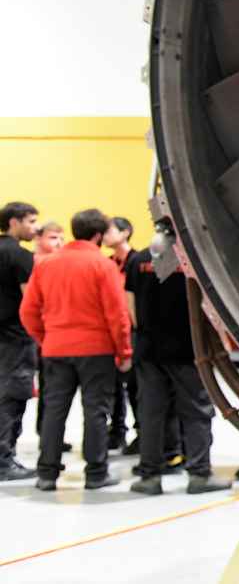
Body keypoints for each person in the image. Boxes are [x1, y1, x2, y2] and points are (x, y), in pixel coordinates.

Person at [20, 209, 133, 491]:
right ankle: (96, 473)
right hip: (96, 350)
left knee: (54, 411)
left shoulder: (46, 265)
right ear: (97, 235)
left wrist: (47, 339)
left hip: (56, 348)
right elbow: (117, 314)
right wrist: (124, 351)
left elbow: (28, 311)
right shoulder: (102, 265)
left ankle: (47, 474)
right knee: (96, 410)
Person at [126, 238, 230, 495]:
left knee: (151, 414)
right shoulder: (194, 256)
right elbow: (209, 304)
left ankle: (149, 476)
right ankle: (199, 474)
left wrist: (144, 333)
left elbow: (130, 306)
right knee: (196, 411)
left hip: (149, 350)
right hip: (189, 349)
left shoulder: (138, 259)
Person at [0, 202, 40, 481]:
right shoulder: (20, 256)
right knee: (11, 399)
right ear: (14, 222)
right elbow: (31, 302)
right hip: (15, 339)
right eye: (30, 221)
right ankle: (4, 460)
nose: (34, 228)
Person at [32, 221, 71, 453]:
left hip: (51, 337)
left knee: (50, 391)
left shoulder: (57, 264)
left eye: (61, 238)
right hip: (41, 336)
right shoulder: (35, 264)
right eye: (54, 238)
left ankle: (47, 436)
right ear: (39, 238)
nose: (60, 243)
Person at [103, 217, 138, 453]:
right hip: (111, 331)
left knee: (136, 387)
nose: (105, 236)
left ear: (125, 233)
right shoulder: (107, 263)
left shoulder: (136, 261)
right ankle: (117, 431)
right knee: (113, 387)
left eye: (110, 231)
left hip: (133, 330)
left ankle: (142, 433)